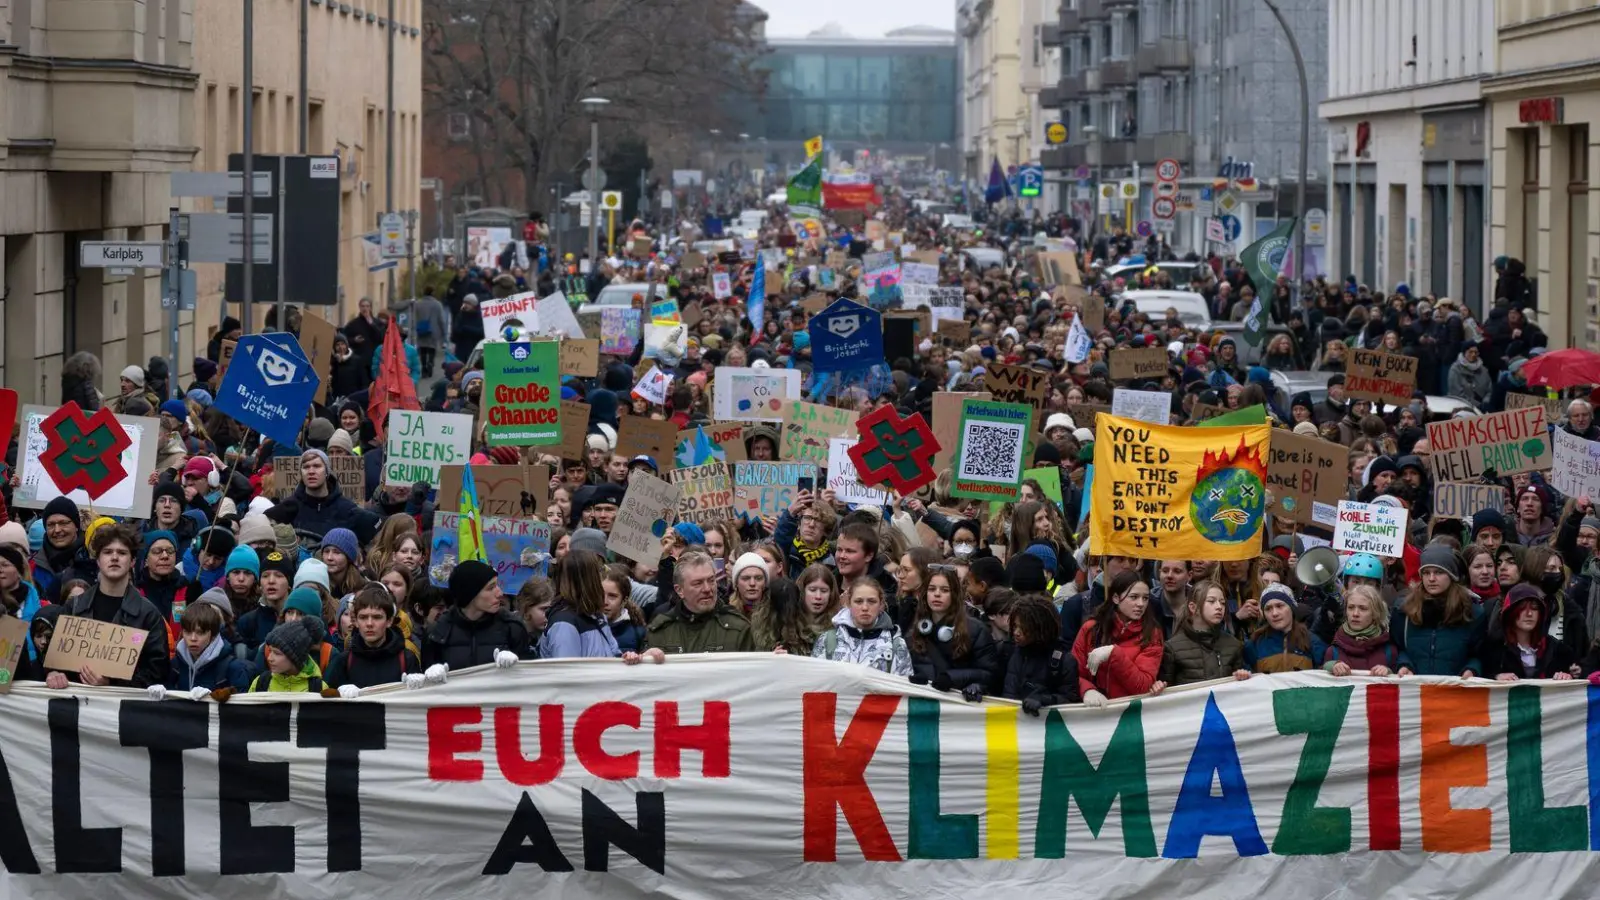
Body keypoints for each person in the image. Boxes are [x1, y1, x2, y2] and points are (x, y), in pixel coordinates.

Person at [44, 522, 170, 689]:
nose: (115, 557)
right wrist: (52, 672)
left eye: (122, 553)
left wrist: (111, 683)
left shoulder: (148, 615)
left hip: (121, 709)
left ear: (132, 561)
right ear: (98, 560)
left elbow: (157, 672)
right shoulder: (73, 607)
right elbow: (53, 657)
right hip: (75, 705)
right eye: (108, 552)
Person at [1071, 569, 1163, 706]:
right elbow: (1072, 674)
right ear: (1115, 598)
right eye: (1134, 597)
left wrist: (1114, 653)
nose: (1141, 604)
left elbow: (1143, 686)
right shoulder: (1091, 629)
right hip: (1093, 715)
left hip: (1129, 716)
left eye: (1145, 598)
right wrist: (1087, 690)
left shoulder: (1152, 633)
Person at [423, 560, 533, 672]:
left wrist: (517, 664)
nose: (500, 593)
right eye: (491, 588)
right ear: (469, 594)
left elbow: (529, 678)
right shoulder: (438, 632)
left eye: (497, 585)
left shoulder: (512, 627)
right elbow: (427, 677)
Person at [907, 566, 999, 700]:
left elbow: (990, 675)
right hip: (925, 704)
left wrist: (953, 678)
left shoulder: (976, 630)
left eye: (945, 590)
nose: (937, 594)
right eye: (932, 589)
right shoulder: (915, 630)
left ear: (955, 594)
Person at [1392, 545, 1485, 677]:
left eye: (1439, 572)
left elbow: (1480, 654)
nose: (1431, 578)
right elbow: (1397, 648)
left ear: (1452, 575)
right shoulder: (1404, 610)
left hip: (1456, 692)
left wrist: (1472, 669)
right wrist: (1404, 664)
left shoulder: (1472, 612)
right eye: (1426, 572)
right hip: (1414, 692)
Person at [645, 551, 756, 654]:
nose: (707, 589)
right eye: (698, 583)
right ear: (679, 590)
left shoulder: (738, 628)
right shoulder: (660, 630)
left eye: (711, 581)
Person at [323, 583, 422, 693]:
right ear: (355, 621)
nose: (369, 623)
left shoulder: (407, 659)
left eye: (377, 617)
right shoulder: (344, 661)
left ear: (389, 621)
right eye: (363, 617)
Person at [1152, 579, 1249, 690]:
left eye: (1222, 602)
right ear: (1193, 608)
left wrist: (1243, 677)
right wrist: (1158, 687)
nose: (1219, 607)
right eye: (1211, 601)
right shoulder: (1172, 648)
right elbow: (1166, 693)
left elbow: (1240, 693)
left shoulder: (1233, 645)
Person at [812, 576, 913, 675]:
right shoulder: (828, 640)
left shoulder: (896, 645)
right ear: (848, 603)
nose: (865, 607)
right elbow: (815, 682)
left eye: (872, 601)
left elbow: (903, 688)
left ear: (881, 605)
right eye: (858, 601)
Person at [153, 598, 253, 696]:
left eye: (200, 633)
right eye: (187, 632)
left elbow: (241, 710)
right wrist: (162, 692)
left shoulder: (233, 668)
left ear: (213, 636)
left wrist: (214, 697)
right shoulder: (174, 665)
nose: (193, 638)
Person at [1483, 584, 1579, 681]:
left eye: (1534, 608)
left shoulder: (1557, 650)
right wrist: (1496, 677)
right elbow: (1480, 677)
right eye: (1522, 608)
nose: (1529, 613)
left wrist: (1566, 675)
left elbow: (1578, 672)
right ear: (1510, 613)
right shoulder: (1493, 648)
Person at [538, 550, 621, 659]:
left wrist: (629, 658)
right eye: (600, 571)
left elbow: (614, 654)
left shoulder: (596, 615)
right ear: (589, 579)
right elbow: (568, 672)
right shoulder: (564, 625)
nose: (604, 578)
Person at [1003, 594, 1079, 713]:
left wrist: (1044, 700)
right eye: (1015, 626)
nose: (1016, 633)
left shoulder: (1064, 661)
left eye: (1024, 628)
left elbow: (1071, 702)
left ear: (1041, 629)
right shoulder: (1008, 650)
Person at [1243, 584, 1328, 673]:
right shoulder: (1255, 644)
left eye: (1279, 606)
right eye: (1268, 609)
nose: (1274, 613)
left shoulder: (1311, 641)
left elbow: (1326, 671)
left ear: (1291, 607)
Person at [1323, 585, 1401, 675]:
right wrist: (1330, 667)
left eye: (1363, 608)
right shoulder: (1333, 652)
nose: (1355, 614)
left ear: (1375, 613)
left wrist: (1389, 672)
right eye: (1351, 607)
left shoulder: (1389, 651)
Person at [246, 619, 327, 693]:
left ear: (295, 657)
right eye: (270, 651)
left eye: (277, 653)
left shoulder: (318, 688)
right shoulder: (261, 683)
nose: (269, 658)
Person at [602, 564, 649, 654]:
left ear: (624, 600)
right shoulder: (585, 629)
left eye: (612, 596)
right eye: (600, 594)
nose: (605, 602)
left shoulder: (638, 633)